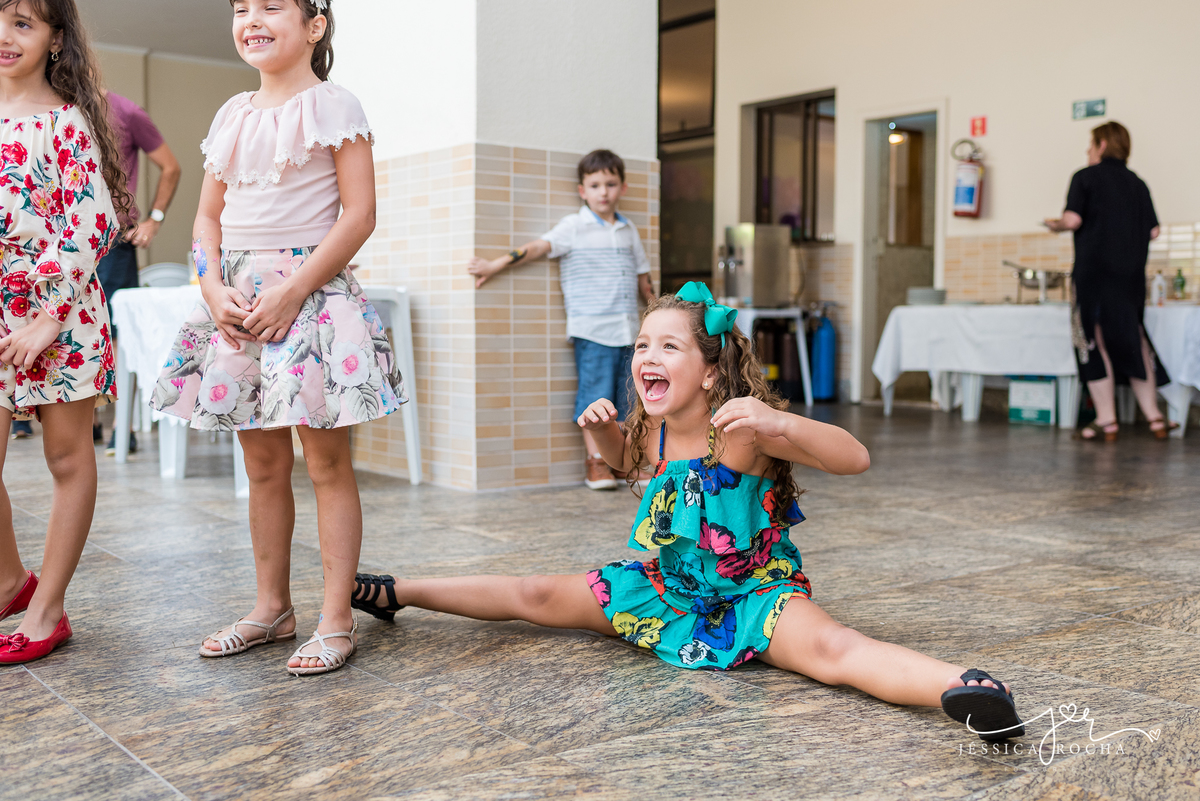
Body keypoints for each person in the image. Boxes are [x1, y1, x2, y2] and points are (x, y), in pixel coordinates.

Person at [351, 284, 1025, 742]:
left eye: (668, 346)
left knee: (832, 650)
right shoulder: (653, 427)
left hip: (755, 595)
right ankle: (398, 591)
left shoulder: (743, 431)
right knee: (535, 593)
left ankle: (964, 686)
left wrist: (781, 423)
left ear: (709, 372)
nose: (648, 356)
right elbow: (629, 467)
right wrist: (603, 436)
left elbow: (856, 458)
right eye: (642, 345)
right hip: (668, 589)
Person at [150, 0, 406, 676]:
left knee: (325, 465)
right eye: (241, 8)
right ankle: (272, 607)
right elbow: (207, 219)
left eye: (271, 6)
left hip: (308, 296)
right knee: (261, 464)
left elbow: (359, 214)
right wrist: (211, 287)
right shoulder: (231, 114)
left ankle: (335, 618)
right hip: (237, 302)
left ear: (314, 25)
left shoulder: (336, 105)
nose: (251, 19)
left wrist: (294, 290)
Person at [0, 0, 128, 663]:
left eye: (23, 22)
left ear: (55, 39)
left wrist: (48, 314)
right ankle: (9, 580)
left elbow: (92, 220)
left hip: (61, 310)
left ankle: (46, 609)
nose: (4, 35)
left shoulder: (65, 120)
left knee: (67, 459)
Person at [468, 149, 657, 490]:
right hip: (593, 330)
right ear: (582, 190)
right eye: (595, 185)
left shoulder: (628, 230)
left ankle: (622, 463)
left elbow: (644, 279)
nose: (603, 192)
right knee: (595, 396)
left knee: (630, 400)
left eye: (610, 184)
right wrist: (494, 265)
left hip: (630, 332)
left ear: (623, 187)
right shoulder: (574, 226)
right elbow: (537, 248)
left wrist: (658, 316)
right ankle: (596, 463)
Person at [1044, 121, 1173, 440]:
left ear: (1102, 145)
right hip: (1130, 277)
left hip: (1094, 274)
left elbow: (1073, 219)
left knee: (1091, 339)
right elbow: (1154, 231)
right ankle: (1155, 418)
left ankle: (1106, 420)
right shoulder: (1138, 183)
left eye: (1091, 144)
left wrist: (1055, 225)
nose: (1087, 150)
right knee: (1135, 338)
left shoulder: (1084, 177)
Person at [91, 91, 180, 453]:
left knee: (117, 333)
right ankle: (90, 424)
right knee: (80, 330)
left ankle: (122, 426)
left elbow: (170, 167)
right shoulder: (55, 109)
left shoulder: (125, 111)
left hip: (114, 241)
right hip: (69, 240)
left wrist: (154, 220)